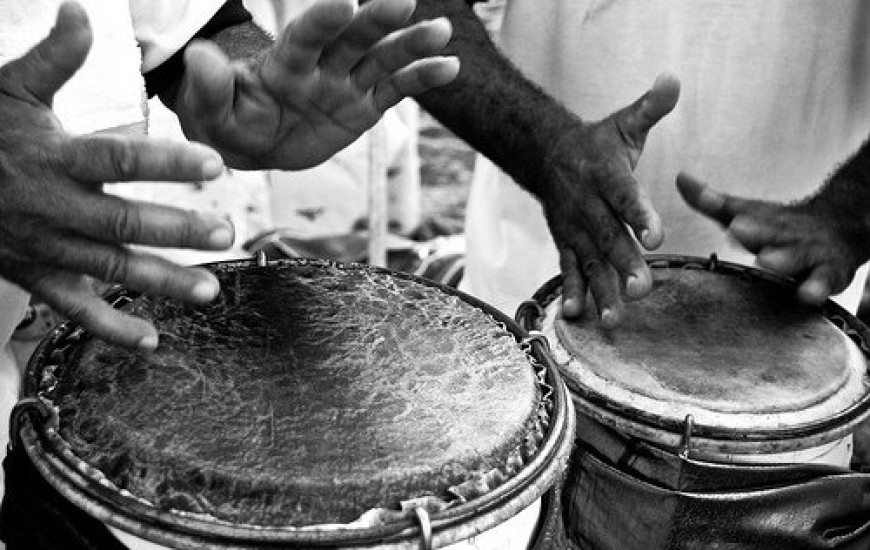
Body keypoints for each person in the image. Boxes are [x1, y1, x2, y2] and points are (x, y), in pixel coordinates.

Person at [410, 0, 870, 325]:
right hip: (524, 305)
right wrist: (544, 147)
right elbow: (408, 9)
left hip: (793, 338)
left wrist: (851, 212)